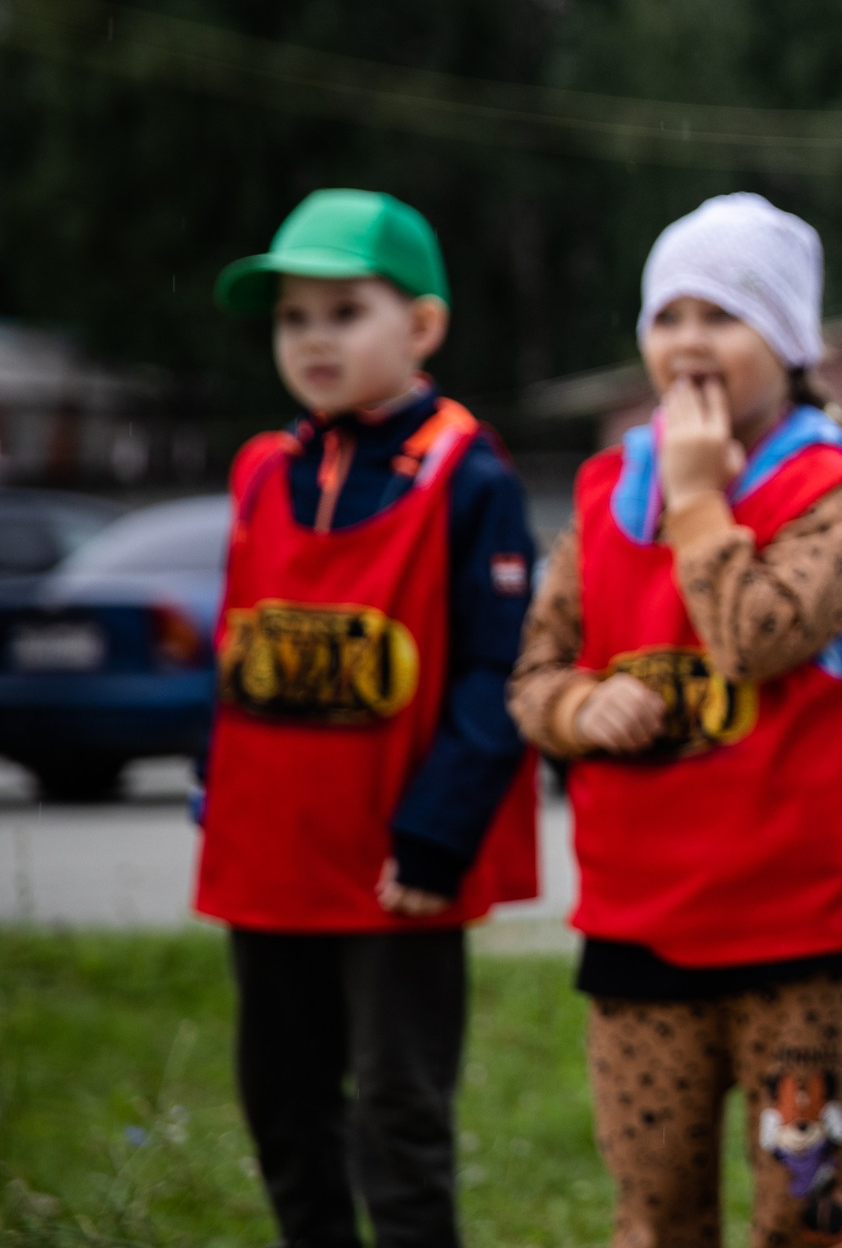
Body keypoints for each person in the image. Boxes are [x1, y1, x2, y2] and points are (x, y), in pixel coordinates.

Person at [507, 193, 842, 1248]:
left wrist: (696, 502)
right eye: (666, 315)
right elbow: (533, 674)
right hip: (640, 930)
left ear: (784, 341)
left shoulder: (835, 496)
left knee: (812, 1212)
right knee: (655, 1215)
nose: (687, 341)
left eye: (722, 315)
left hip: (798, 942)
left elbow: (755, 636)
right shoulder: (603, 499)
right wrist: (582, 705)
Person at [197, 189, 543, 1248]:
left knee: (398, 1118)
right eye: (292, 318)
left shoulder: (466, 474)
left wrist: (439, 834)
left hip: (398, 872)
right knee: (283, 1107)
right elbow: (239, 660)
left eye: (344, 312)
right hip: (272, 868)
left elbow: (498, 674)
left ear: (423, 327)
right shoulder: (263, 469)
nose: (313, 339)